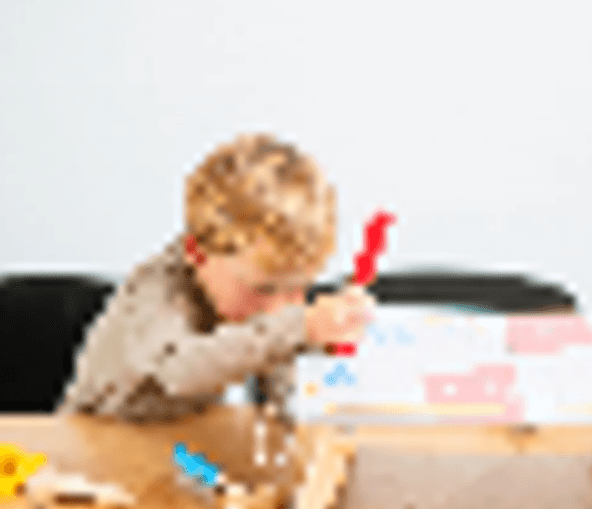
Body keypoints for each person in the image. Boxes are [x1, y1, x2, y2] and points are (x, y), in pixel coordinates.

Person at [58, 132, 374, 423]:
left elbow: (275, 364)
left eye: (297, 288)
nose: (278, 308)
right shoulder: (156, 292)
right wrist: (300, 327)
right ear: (197, 253)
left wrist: (323, 342)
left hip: (176, 446)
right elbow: (179, 373)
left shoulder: (251, 293)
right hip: (98, 445)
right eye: (263, 289)